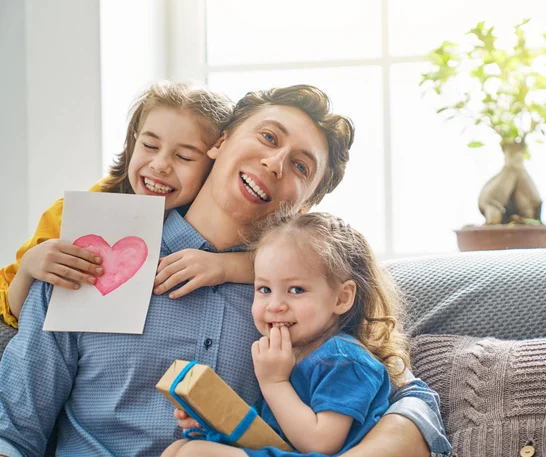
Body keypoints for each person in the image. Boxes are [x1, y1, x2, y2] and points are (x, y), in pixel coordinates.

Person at [0, 85, 451, 457]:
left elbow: (408, 398)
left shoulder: (299, 302)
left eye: (299, 166)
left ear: (307, 203)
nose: (274, 163)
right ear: (220, 142)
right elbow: (14, 430)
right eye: (268, 138)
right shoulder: (92, 259)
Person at [0, 81, 253, 328]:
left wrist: (227, 266)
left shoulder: (221, 219)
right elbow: (18, 317)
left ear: (215, 161)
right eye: (150, 145)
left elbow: (285, 258)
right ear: (134, 140)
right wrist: (29, 269)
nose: (159, 165)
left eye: (184, 156)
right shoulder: (76, 211)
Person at [162, 211, 415, 457]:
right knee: (178, 449)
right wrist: (217, 421)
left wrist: (274, 383)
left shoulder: (345, 359)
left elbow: (320, 442)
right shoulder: (288, 355)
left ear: (342, 297)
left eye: (295, 290)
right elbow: (274, 435)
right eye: (264, 289)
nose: (275, 305)